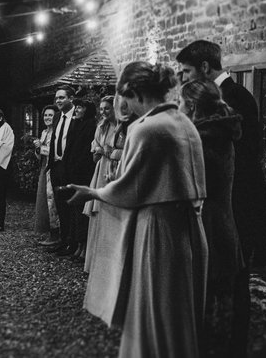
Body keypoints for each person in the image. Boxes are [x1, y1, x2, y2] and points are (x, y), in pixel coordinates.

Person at [66, 61, 208, 358]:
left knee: (151, 309)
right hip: (190, 227)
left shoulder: (147, 129)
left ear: (137, 93)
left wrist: (93, 192)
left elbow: (128, 188)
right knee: (179, 311)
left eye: (126, 98)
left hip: (157, 229)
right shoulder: (184, 123)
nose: (126, 107)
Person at [177, 40, 266, 358]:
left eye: (186, 70)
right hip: (222, 204)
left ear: (204, 68)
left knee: (234, 285)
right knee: (216, 288)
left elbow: (246, 160)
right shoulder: (212, 102)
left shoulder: (235, 98)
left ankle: (232, 347)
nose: (183, 77)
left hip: (236, 204)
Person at [180, 79, 245, 357]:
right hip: (223, 225)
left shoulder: (201, 141)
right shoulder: (220, 134)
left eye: (181, 102)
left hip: (206, 228)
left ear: (192, 105)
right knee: (219, 304)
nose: (178, 108)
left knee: (203, 310)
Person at [48, 87, 97, 257]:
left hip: (70, 167)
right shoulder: (57, 117)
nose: (58, 101)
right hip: (56, 165)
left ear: (71, 98)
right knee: (60, 205)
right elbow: (55, 139)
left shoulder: (76, 120)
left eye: (62, 97)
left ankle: (73, 242)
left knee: (72, 204)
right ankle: (63, 241)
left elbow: (78, 145)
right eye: (56, 98)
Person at [83, 96, 118, 270]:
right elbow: (94, 154)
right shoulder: (101, 127)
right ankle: (95, 262)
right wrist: (99, 151)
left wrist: (109, 152)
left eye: (107, 108)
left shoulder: (121, 127)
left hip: (115, 170)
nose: (103, 112)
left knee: (111, 211)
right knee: (98, 212)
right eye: (101, 109)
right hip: (101, 168)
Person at [33, 105, 60, 245]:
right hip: (44, 167)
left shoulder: (57, 132)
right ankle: (47, 231)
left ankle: (55, 233)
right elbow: (40, 156)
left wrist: (42, 148)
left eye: (50, 115)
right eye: (46, 115)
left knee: (52, 200)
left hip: (53, 167)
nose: (47, 118)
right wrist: (38, 148)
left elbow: (55, 152)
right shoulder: (44, 132)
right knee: (43, 198)